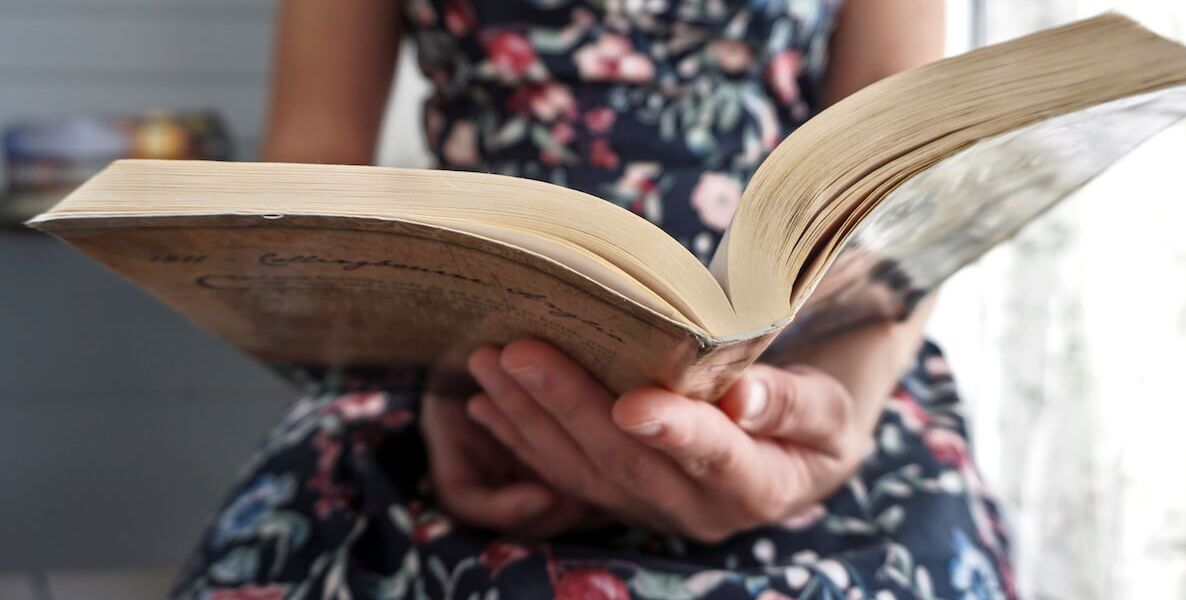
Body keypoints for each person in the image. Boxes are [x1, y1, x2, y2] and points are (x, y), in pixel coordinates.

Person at [172, 1, 1015, 598]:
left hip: (810, 361)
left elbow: (904, 165)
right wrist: (440, 371)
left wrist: (836, 420)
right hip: (462, 377)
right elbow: (314, 169)